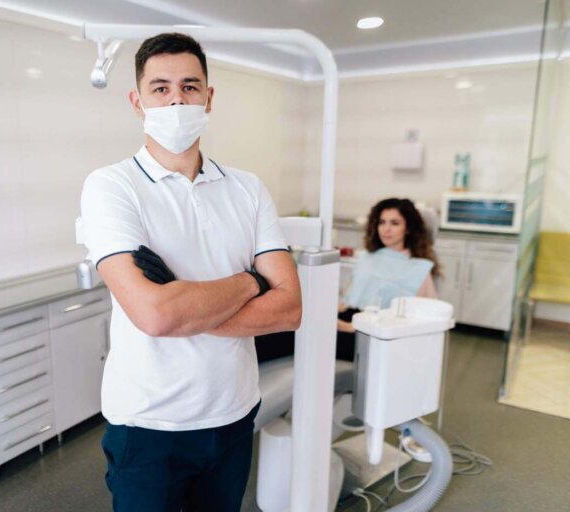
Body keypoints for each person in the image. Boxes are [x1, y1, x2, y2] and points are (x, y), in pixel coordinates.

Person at [80, 33, 302, 512]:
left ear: (209, 97)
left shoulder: (247, 188)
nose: (176, 99)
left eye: (189, 86)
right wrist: (250, 282)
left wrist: (182, 302)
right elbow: (155, 317)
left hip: (233, 414)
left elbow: (289, 309)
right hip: (149, 424)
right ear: (137, 102)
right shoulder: (111, 187)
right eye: (160, 88)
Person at [336, 198, 440, 361]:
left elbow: (411, 321)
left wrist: (347, 327)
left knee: (312, 339)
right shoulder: (366, 258)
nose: (386, 229)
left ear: (408, 228)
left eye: (394, 223)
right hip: (351, 320)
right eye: (382, 222)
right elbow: (346, 302)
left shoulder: (418, 269)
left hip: (377, 334)